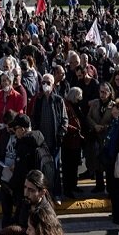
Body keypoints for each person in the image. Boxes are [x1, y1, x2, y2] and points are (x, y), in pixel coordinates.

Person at [30, 73, 67, 202]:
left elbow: (64, 120)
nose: (45, 85)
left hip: (54, 140)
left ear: (52, 85)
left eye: (48, 83)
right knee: (41, 168)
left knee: (55, 169)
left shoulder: (58, 100)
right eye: (43, 82)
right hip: (41, 142)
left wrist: (61, 134)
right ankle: (42, 194)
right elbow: (33, 118)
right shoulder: (38, 100)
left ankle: (56, 194)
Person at [86, 82, 115, 193]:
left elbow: (115, 121)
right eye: (100, 92)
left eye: (104, 92)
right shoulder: (95, 104)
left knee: (107, 164)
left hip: (107, 138)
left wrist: (105, 127)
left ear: (109, 93)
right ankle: (99, 185)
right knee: (97, 162)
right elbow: (88, 117)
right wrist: (94, 126)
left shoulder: (113, 105)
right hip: (96, 137)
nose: (102, 94)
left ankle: (110, 186)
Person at [61, 87, 84, 199]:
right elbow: (64, 122)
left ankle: (74, 185)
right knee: (68, 167)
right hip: (68, 141)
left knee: (74, 165)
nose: (80, 98)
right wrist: (74, 129)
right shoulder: (66, 105)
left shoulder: (75, 105)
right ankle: (67, 188)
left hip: (76, 141)